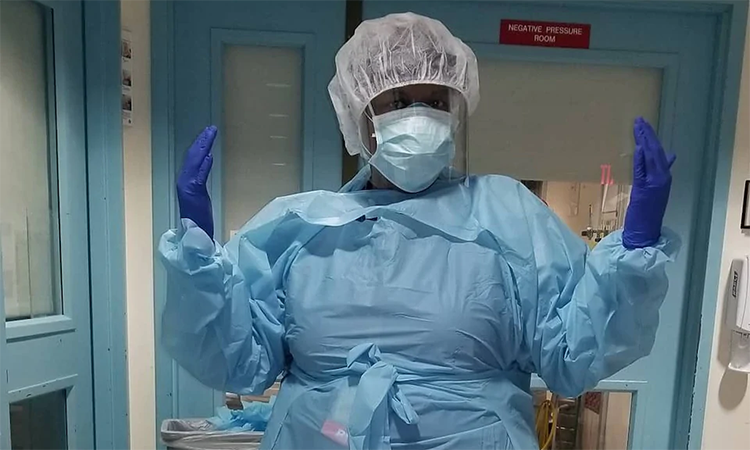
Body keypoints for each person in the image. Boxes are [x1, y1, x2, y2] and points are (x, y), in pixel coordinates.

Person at [159, 12, 679, 450]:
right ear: (360, 116)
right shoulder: (299, 227)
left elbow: (573, 354)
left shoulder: (508, 217)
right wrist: (199, 260)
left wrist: (634, 251)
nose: (420, 115)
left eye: (435, 100)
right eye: (399, 101)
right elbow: (238, 361)